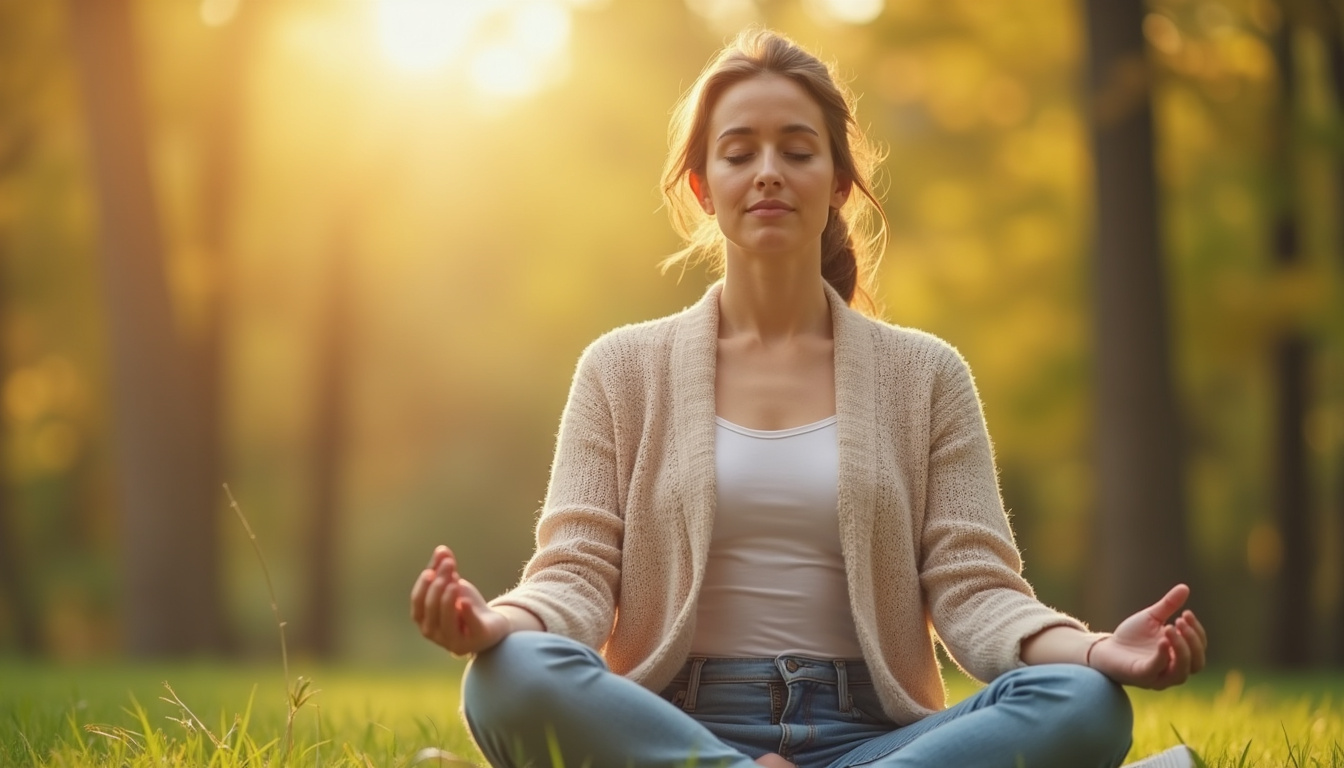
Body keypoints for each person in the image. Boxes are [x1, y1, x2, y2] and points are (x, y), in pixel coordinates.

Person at [410, 28, 1208, 768]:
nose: (767, 172)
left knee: (1085, 704)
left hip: (878, 742)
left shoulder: (926, 376)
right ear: (701, 184)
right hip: (672, 730)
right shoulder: (619, 370)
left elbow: (977, 594)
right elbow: (575, 578)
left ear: (837, 184)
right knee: (505, 675)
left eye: (797, 151)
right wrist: (497, 624)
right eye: (738, 152)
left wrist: (1099, 651)